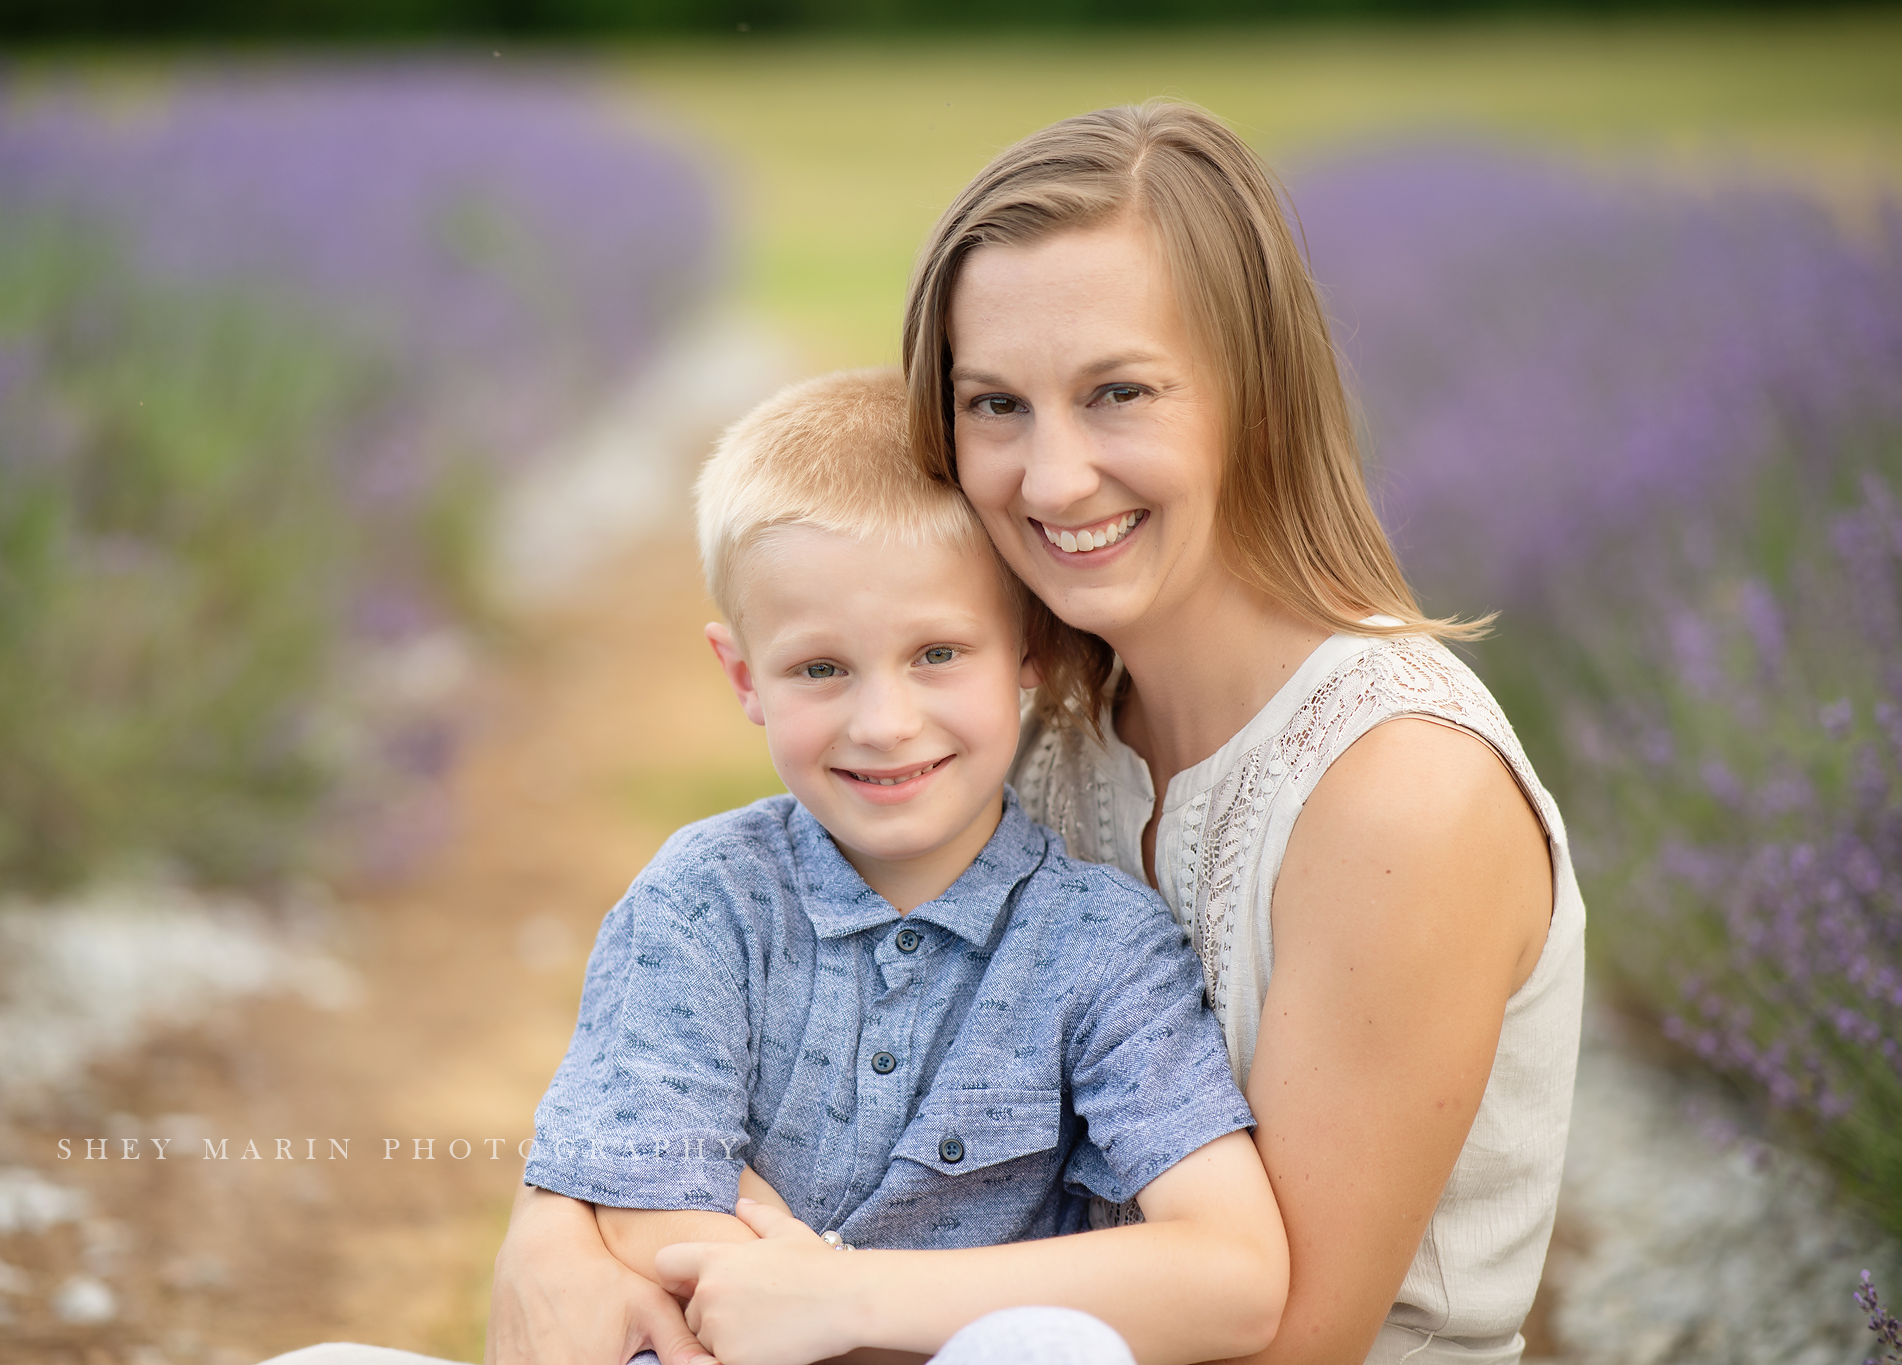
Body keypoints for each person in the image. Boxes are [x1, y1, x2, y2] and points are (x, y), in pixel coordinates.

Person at [488, 101, 1584, 1365]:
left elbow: (1287, 1334)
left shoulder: (1400, 790)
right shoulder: (1047, 720)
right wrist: (558, 1229)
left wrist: (831, 1295)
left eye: (1117, 393)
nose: (1051, 479)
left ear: (1257, 397)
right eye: (995, 405)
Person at [523, 366, 1287, 1365]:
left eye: (936, 654)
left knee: (1051, 1347)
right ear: (744, 676)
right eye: (820, 668)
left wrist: (835, 1299)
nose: (883, 724)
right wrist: (760, 1285)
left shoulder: (1100, 946)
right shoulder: (705, 901)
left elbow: (1235, 1277)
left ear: (1031, 651)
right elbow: (643, 1193)